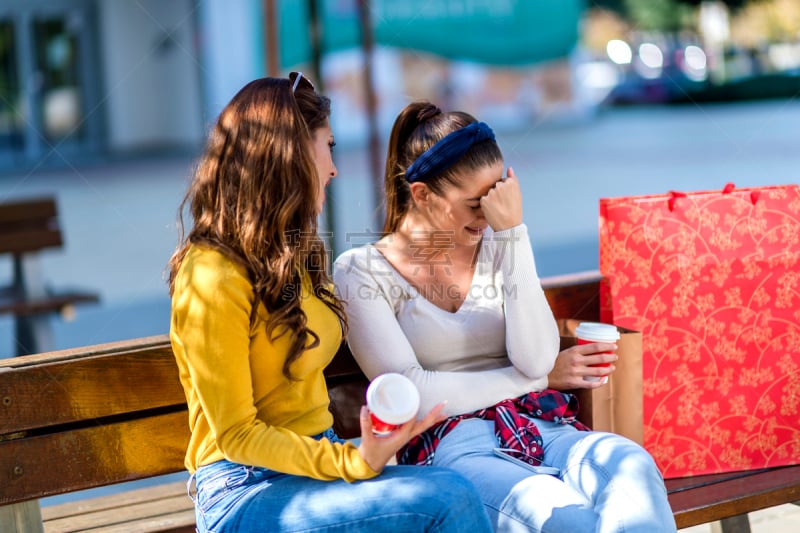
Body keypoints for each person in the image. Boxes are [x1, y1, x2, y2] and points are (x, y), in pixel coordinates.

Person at [167, 77, 493, 533]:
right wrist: (352, 460)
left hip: (316, 469)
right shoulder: (210, 274)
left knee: (454, 486)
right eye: (329, 146)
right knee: (446, 499)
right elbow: (237, 436)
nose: (334, 168)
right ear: (290, 154)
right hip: (245, 489)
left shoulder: (287, 254)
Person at [333, 101, 677, 533]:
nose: (489, 216)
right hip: (454, 449)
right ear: (421, 194)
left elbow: (534, 357)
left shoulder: (501, 245)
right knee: (565, 515)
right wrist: (539, 380)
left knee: (631, 465)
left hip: (542, 425)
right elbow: (414, 394)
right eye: (477, 203)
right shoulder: (362, 270)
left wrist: (513, 233)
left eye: (498, 198)